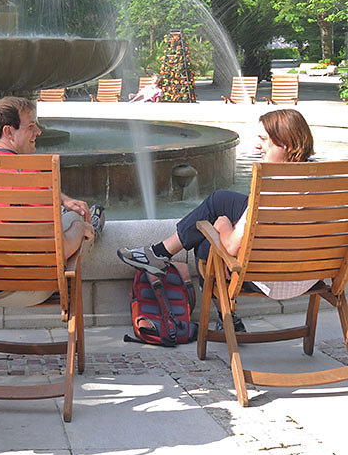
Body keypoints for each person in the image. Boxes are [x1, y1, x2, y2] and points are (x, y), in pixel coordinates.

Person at [117, 109, 316, 328]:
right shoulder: (327, 182)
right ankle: (159, 254)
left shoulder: (271, 190)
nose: (258, 146)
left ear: (285, 144)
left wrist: (223, 225)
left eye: (263, 140)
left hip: (272, 279)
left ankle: (227, 318)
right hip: (313, 275)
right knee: (219, 200)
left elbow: (231, 246)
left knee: (205, 246)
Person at [0, 96, 102, 259]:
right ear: (8, 132)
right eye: (31, 126)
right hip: (25, 279)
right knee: (78, 219)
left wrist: (61, 198)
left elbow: (5, 188)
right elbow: (60, 251)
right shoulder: (30, 177)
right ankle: (93, 228)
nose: (38, 132)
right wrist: (79, 228)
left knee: (70, 213)